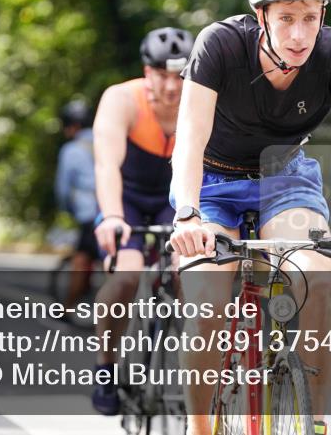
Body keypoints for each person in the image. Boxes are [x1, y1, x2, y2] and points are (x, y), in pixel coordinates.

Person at [168, 0, 331, 435]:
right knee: (207, 306)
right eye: (286, 18)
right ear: (261, 14)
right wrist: (187, 215)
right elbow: (190, 139)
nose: (299, 34)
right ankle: (199, 429)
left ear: (323, 13)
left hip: (285, 180)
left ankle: (315, 421)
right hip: (212, 183)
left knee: (317, 279)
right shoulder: (220, 45)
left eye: (310, 17)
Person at [90, 26, 194, 416]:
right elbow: (106, 165)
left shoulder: (200, 101)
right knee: (126, 276)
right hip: (127, 201)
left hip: (174, 200)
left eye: (180, 76)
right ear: (147, 72)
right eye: (162, 75)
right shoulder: (122, 99)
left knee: (191, 274)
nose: (171, 86)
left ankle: (199, 372)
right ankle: (106, 367)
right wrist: (113, 217)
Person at [54, 99, 99, 311]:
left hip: (89, 213)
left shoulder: (71, 150)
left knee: (82, 257)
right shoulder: (109, 140)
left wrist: (68, 209)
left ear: (72, 126)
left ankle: (69, 307)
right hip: (118, 208)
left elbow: (63, 189)